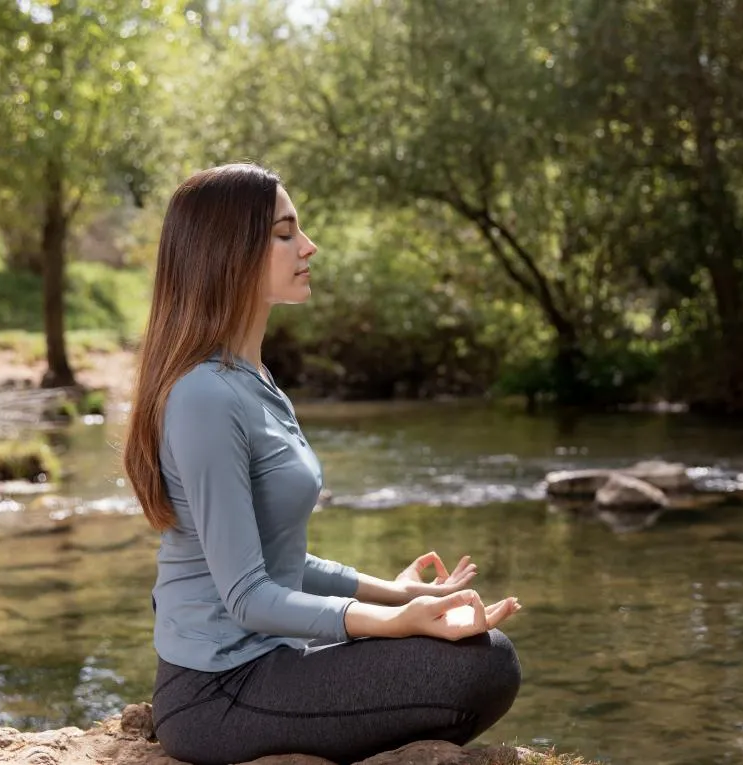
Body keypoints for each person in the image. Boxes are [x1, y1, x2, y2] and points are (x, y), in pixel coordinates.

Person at [122, 163, 522, 765]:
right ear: (229, 253)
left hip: (273, 661)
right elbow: (248, 595)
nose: (308, 247)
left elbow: (279, 559)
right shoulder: (203, 396)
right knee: (488, 664)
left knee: (485, 653)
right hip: (217, 693)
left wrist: (394, 593)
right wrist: (400, 623)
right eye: (285, 233)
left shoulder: (254, 380)